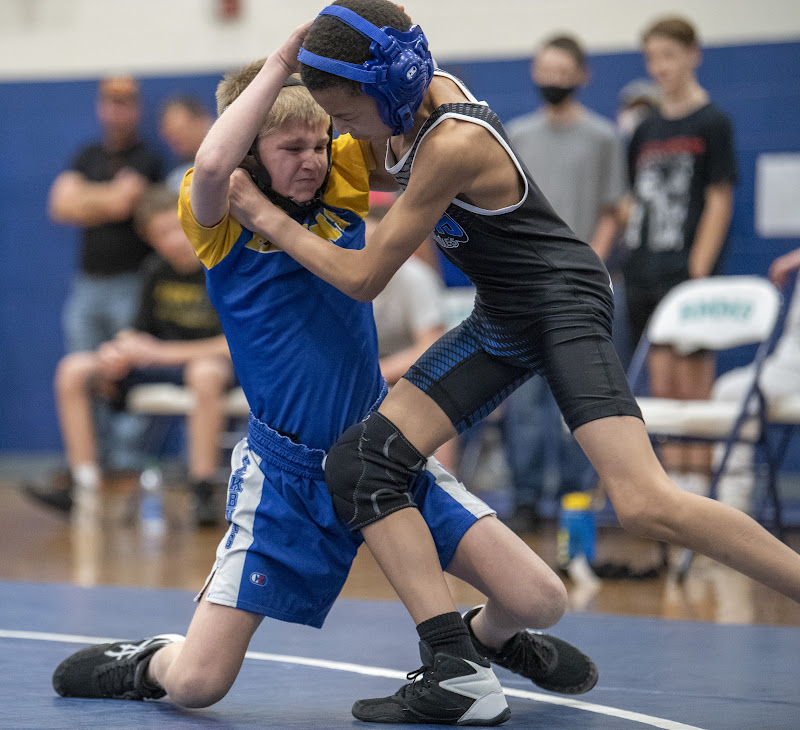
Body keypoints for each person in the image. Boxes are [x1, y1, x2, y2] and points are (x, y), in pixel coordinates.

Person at [219, 1, 800, 722]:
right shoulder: (401, 104)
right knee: (364, 462)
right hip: (503, 311)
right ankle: (455, 658)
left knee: (647, 503)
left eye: (346, 117)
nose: (344, 136)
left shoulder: (452, 142)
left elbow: (366, 276)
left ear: (384, 90)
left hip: (563, 305)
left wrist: (266, 217)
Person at [50, 51, 597, 727]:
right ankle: (150, 657)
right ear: (251, 152)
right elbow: (217, 161)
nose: (312, 159)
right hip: (287, 479)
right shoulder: (219, 217)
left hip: (380, 456)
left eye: (318, 143)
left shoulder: (337, 177)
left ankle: (482, 644)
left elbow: (406, 125)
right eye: (291, 148)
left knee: (540, 598)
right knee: (197, 682)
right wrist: (283, 58)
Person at [30, 185, 234, 526]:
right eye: (161, 234)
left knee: (205, 373)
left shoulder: (222, 265)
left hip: (209, 364)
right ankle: (84, 487)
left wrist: (161, 353)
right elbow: (138, 331)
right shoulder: (154, 270)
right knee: (74, 368)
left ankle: (201, 490)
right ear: (150, 239)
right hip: (159, 363)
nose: (173, 240)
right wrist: (119, 349)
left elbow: (233, 344)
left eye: (177, 228)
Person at [502, 34, 627, 531]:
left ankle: (577, 499)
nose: (552, 79)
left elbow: (612, 210)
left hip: (579, 285)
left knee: (580, 393)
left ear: (581, 75)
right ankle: (527, 498)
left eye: (562, 70)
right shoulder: (517, 134)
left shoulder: (602, 137)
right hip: (525, 283)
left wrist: (587, 262)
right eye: (544, 69)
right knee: (525, 398)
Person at [622, 17, 738, 498]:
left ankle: (702, 489)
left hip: (687, 271)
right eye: (652, 57)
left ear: (694, 55)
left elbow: (718, 198)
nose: (660, 67)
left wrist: (699, 269)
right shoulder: (645, 127)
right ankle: (676, 491)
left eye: (668, 55)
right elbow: (634, 198)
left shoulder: (712, 121)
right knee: (661, 386)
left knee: (694, 389)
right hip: (645, 268)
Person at [48, 75, 165, 474]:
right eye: (110, 103)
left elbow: (122, 204)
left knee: (124, 371)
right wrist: (105, 196)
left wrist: (87, 198)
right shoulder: (87, 154)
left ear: (137, 109)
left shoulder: (148, 157)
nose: (117, 111)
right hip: (87, 284)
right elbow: (60, 205)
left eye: (126, 103)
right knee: (82, 371)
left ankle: (127, 463)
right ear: (101, 107)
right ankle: (90, 463)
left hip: (131, 283)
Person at [698, 248, 800, 513]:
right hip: (789, 363)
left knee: (734, 394)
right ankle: (730, 517)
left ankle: (731, 518)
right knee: (730, 391)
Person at [159, 94, 214, 192]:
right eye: (170, 134)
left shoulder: (231, 161)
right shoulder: (177, 177)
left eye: (180, 130)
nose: (174, 140)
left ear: (202, 121)